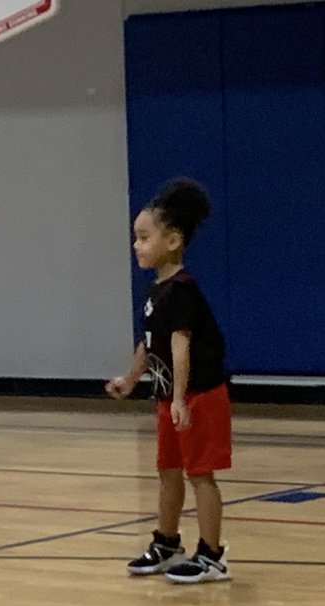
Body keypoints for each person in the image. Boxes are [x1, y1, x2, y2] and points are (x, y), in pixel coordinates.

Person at [106, 177, 232, 584]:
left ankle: (212, 554)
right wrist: (130, 378)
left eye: (144, 237)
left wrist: (179, 399)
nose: (136, 245)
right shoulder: (156, 290)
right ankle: (166, 541)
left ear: (173, 240)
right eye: (135, 237)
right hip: (169, 397)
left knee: (200, 475)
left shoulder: (182, 291)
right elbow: (151, 343)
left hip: (198, 396)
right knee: (168, 471)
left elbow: (180, 348)